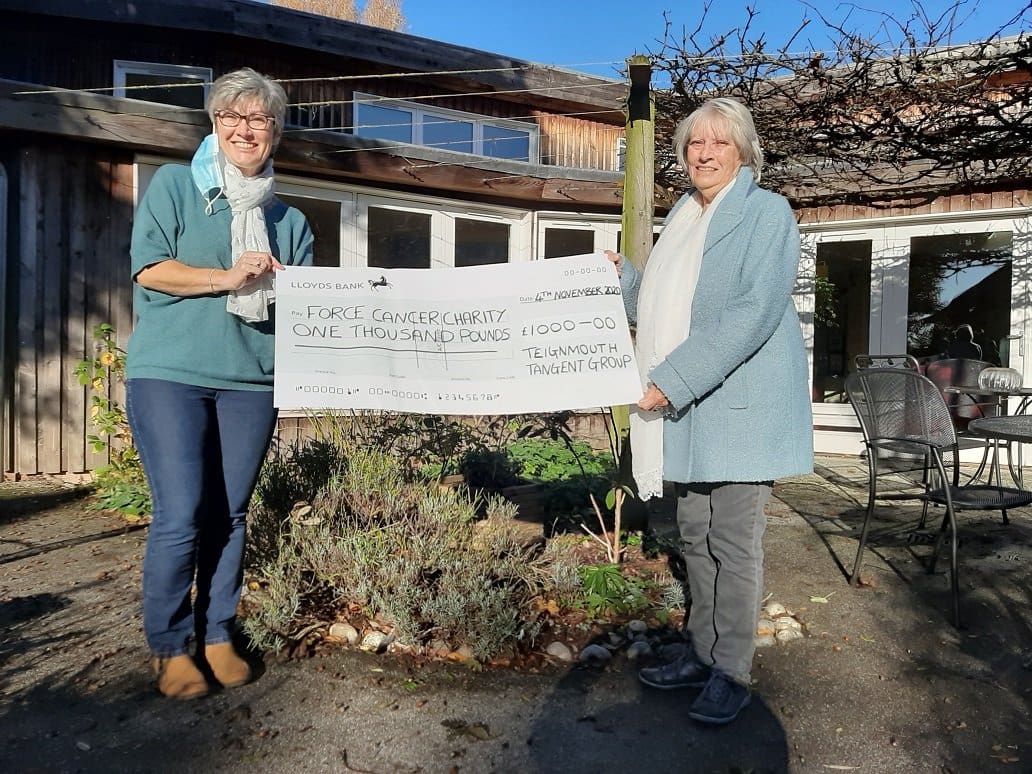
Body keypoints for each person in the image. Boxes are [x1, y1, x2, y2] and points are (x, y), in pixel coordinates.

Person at [605, 97, 812, 725]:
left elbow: (751, 312)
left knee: (734, 542)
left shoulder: (766, 214)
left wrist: (672, 380)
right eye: (695, 143)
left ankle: (732, 671)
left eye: (720, 143)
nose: (705, 153)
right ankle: (700, 654)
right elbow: (671, 305)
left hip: (736, 406)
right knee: (694, 537)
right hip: (690, 405)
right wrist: (625, 278)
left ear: (743, 150)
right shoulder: (682, 218)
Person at [126, 67, 314, 699]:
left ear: (275, 133)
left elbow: (308, 314)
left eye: (258, 119)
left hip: (250, 382)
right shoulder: (175, 187)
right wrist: (226, 277)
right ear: (214, 122)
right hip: (169, 374)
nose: (244, 128)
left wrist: (291, 288)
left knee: (230, 516)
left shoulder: (290, 221)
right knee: (181, 512)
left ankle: (216, 633)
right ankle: (170, 646)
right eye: (232, 116)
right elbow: (150, 270)